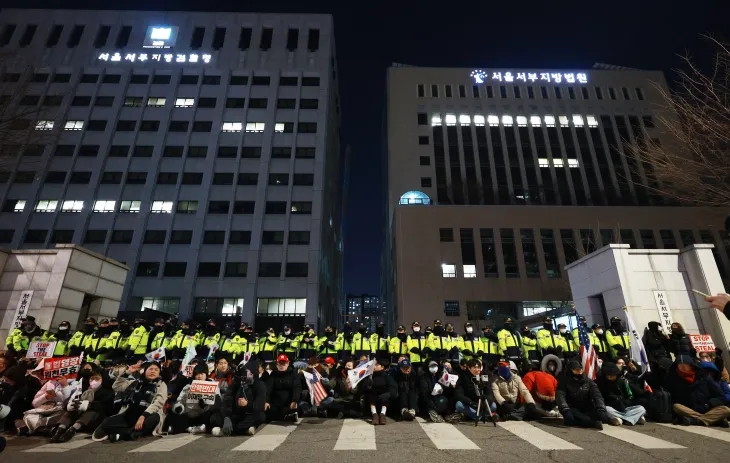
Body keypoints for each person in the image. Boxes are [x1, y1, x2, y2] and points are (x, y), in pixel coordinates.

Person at [92, 361, 167, 442]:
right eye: (151, 369)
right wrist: (127, 372)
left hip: (147, 414)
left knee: (154, 418)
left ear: (159, 373)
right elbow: (116, 387)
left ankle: (126, 434)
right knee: (107, 422)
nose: (153, 371)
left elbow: (158, 403)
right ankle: (130, 432)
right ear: (145, 371)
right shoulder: (135, 382)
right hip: (130, 414)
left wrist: (143, 416)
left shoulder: (161, 384)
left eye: (156, 370)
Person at [50, 365, 113, 443]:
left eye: (97, 379)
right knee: (70, 410)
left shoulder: (106, 392)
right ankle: (59, 430)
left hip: (92, 418)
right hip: (74, 412)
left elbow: (106, 405)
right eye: (92, 379)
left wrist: (88, 405)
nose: (93, 381)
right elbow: (70, 399)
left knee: (90, 412)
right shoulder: (82, 389)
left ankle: (72, 430)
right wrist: (70, 405)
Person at [664, 354, 730, 426]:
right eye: (680, 364)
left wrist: (709, 404)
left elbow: (720, 396)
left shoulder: (704, 376)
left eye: (685, 364)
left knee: (726, 409)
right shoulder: (673, 379)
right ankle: (714, 420)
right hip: (689, 410)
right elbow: (672, 398)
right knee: (676, 406)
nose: (682, 367)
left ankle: (695, 421)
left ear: (691, 365)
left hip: (707, 408)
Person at [556, 359, 616, 429]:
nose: (579, 372)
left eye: (580, 370)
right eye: (576, 370)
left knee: (601, 414)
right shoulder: (564, 382)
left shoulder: (588, 382)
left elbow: (597, 396)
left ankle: (611, 419)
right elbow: (560, 396)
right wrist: (565, 409)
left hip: (586, 406)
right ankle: (592, 424)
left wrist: (601, 408)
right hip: (571, 407)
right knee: (570, 419)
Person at [215, 361, 267, 436]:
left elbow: (259, 406)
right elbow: (227, 399)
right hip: (236, 413)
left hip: (250, 413)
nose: (246, 374)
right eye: (245, 372)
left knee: (259, 416)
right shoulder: (237, 381)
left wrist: (247, 404)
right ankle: (244, 430)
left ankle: (229, 430)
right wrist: (226, 417)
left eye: (248, 372)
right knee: (215, 418)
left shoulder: (260, 385)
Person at [167, 364, 220, 434]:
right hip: (188, 414)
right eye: (197, 374)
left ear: (206, 375)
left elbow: (217, 404)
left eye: (202, 374)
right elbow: (180, 400)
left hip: (202, 415)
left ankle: (194, 427)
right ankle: (187, 428)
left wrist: (205, 406)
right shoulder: (188, 386)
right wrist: (179, 407)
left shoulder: (213, 386)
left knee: (210, 416)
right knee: (172, 412)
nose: (199, 376)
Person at [453, 358, 494, 423]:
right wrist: (471, 403)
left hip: (482, 404)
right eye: (474, 368)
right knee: (459, 405)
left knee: (493, 406)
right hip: (470, 403)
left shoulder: (483, 377)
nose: (477, 370)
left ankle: (474, 416)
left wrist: (484, 403)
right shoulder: (463, 377)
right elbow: (458, 394)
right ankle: (481, 417)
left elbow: (489, 393)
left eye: (478, 368)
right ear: (469, 368)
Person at [265, 354, 301, 422]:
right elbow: (268, 388)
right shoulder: (273, 375)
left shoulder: (293, 374)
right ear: (277, 364)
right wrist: (266, 401)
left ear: (288, 363)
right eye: (280, 364)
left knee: (293, 408)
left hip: (289, 403)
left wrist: (295, 400)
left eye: (283, 364)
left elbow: (297, 387)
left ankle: (288, 415)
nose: (281, 366)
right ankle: (286, 416)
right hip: (276, 404)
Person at [363, 357, 396, 425]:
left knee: (385, 392)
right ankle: (374, 415)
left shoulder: (388, 377)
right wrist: (368, 386)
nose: (374, 366)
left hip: (384, 402)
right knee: (372, 391)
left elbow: (393, 388)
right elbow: (364, 389)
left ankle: (382, 414)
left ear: (382, 367)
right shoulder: (370, 376)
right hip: (372, 401)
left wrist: (388, 394)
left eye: (376, 365)